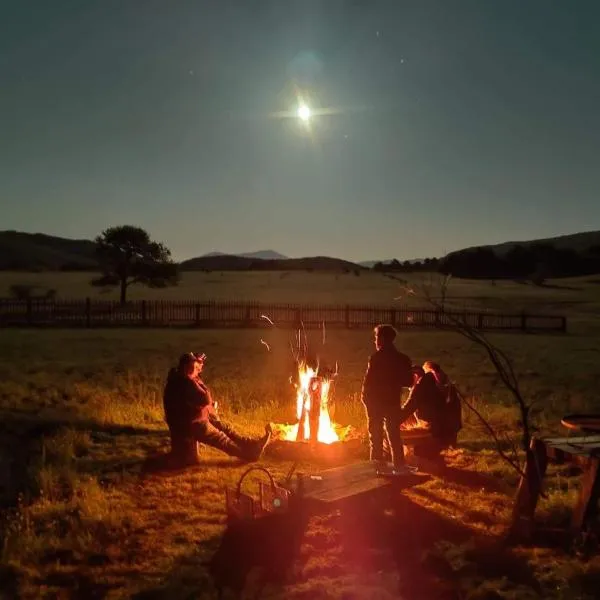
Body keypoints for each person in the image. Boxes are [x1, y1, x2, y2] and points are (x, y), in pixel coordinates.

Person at [163, 352, 272, 463]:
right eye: (194, 367)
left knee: (223, 427)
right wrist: (197, 378)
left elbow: (195, 400)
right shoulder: (186, 382)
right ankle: (249, 454)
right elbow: (206, 398)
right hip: (190, 425)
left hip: (191, 420)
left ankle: (251, 444)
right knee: (221, 439)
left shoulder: (176, 378)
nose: (196, 369)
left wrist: (196, 375)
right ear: (187, 367)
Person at [361, 324, 413, 470]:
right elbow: (409, 382)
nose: (375, 341)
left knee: (376, 439)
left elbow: (368, 381)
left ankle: (375, 470)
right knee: (394, 436)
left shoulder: (376, 358)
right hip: (392, 402)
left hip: (376, 403)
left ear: (383, 339)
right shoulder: (403, 359)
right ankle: (399, 467)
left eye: (377, 337)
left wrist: (365, 398)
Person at [422, 361, 462, 446]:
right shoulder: (441, 385)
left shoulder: (445, 387)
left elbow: (448, 407)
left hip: (447, 423)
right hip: (446, 423)